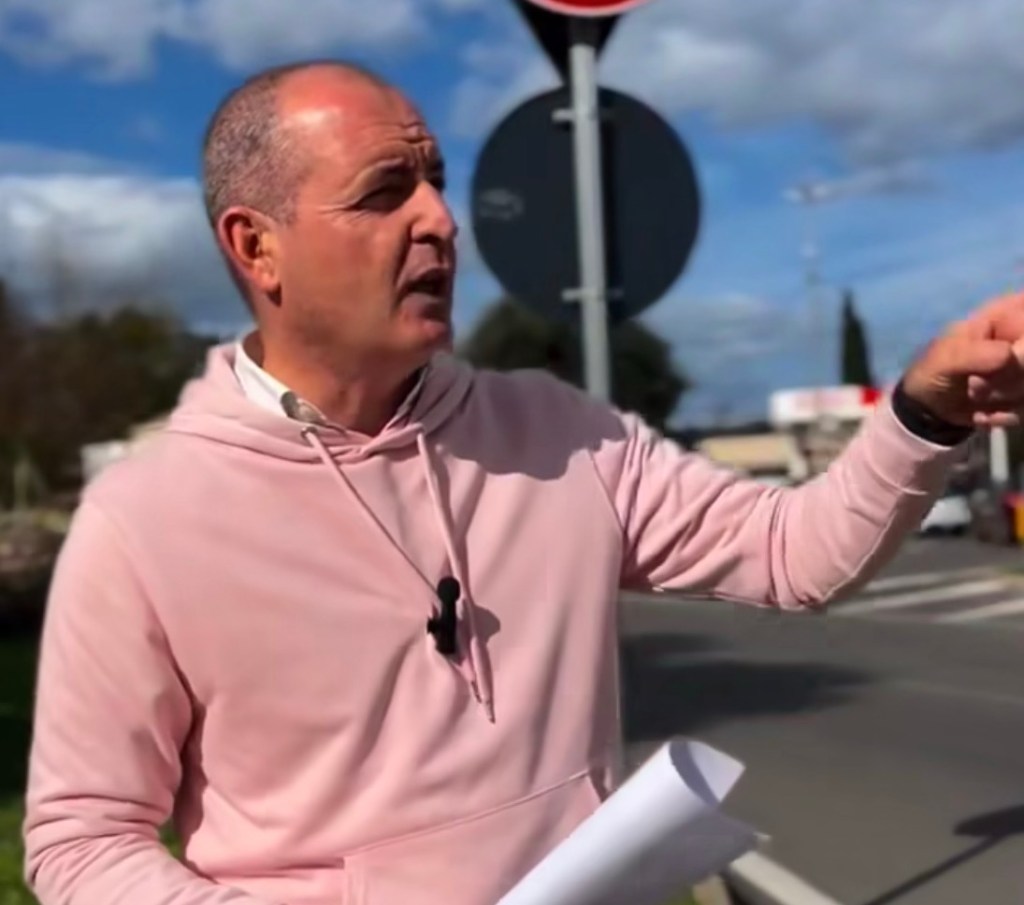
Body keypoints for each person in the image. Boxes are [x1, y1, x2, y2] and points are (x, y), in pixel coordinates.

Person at [21, 60, 1024, 905]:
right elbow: (80, 841)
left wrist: (924, 410)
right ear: (256, 246)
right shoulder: (141, 520)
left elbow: (792, 554)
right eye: (384, 192)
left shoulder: (561, 431)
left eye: (435, 181)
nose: (440, 220)